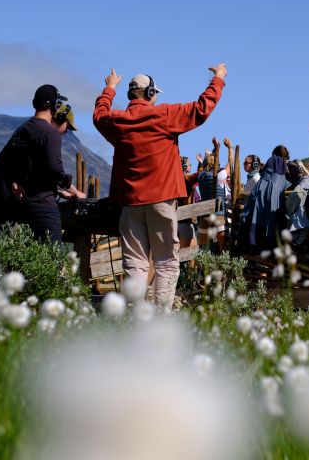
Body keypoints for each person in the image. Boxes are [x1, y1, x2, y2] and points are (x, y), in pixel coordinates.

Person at [93, 64, 227, 313]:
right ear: (151, 92)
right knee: (165, 261)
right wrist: (218, 79)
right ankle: (159, 316)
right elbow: (201, 108)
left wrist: (109, 88)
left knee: (135, 262)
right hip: (162, 200)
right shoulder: (164, 116)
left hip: (130, 203)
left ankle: (137, 313)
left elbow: (99, 115)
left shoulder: (118, 122)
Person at [0, 84, 84, 243]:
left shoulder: (23, 129)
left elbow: (12, 166)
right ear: (56, 105)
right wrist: (74, 190)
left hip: (15, 204)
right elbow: (55, 169)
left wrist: (58, 191)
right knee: (52, 259)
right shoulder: (50, 133)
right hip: (42, 206)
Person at [240, 145, 291, 251]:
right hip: (279, 197)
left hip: (265, 194)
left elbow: (265, 179)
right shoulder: (286, 166)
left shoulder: (272, 161)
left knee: (253, 214)